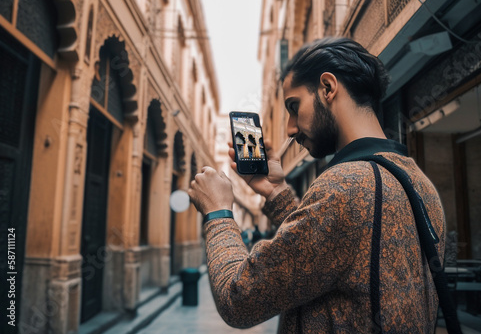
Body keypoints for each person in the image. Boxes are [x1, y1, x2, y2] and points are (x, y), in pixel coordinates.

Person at [188, 38, 445, 333]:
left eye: (294, 107)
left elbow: (238, 299)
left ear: (327, 88)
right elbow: (326, 253)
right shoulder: (418, 182)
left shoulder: (343, 187)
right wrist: (275, 192)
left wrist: (218, 213)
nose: (290, 128)